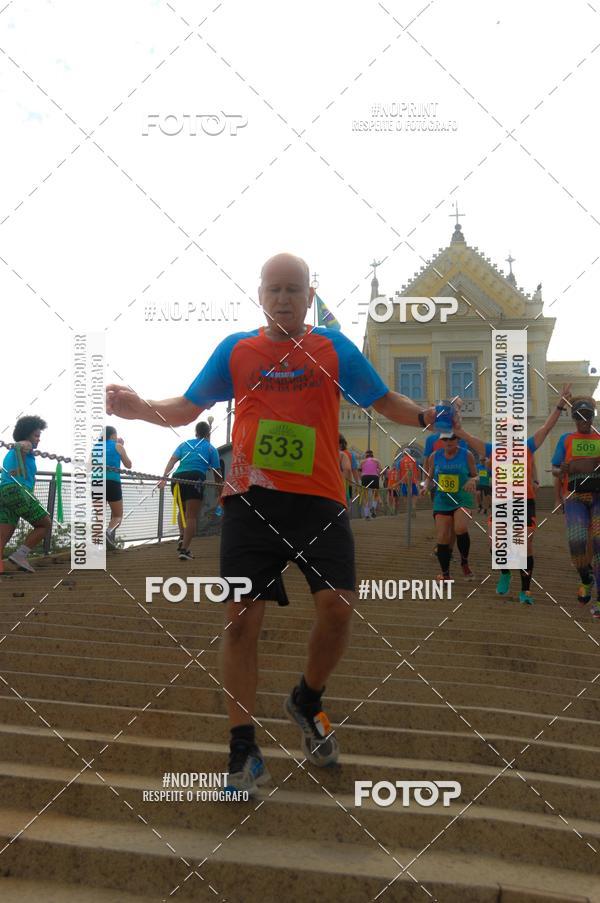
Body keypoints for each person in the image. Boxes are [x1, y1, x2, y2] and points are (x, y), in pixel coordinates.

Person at [106, 251, 442, 795]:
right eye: (274, 289)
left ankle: (306, 699)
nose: (284, 297)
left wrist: (426, 416)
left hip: (320, 501)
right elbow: (188, 406)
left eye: (294, 289)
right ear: (261, 296)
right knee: (241, 621)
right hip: (250, 502)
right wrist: (138, 407)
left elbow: (384, 401)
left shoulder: (333, 348)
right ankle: (243, 749)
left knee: (337, 608)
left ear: (309, 297)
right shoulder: (237, 350)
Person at [456, 384, 570, 605]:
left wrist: (559, 405)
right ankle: (505, 572)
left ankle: (525, 590)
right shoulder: (492, 450)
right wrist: (454, 423)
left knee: (525, 545)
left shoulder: (527, 447)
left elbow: (546, 428)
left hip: (524, 502)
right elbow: (466, 436)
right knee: (495, 543)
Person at [551, 396, 600, 618]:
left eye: (587, 415)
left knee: (599, 543)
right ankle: (585, 579)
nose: (583, 420)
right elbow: (554, 469)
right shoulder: (566, 439)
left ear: (593, 416)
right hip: (573, 495)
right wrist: (556, 496)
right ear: (573, 418)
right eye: (579, 416)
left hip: (598, 495)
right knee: (577, 543)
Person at [159, 421, 221, 560]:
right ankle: (184, 550)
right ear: (208, 434)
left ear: (196, 433)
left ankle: (182, 537)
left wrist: (164, 477)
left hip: (177, 479)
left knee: (183, 511)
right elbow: (218, 475)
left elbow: (172, 460)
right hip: (194, 478)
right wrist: (220, 493)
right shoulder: (211, 449)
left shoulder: (184, 444)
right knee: (191, 516)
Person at [422, 433, 478, 581]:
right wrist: (425, 486)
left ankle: (464, 563)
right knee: (442, 537)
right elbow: (429, 477)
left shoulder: (467, 455)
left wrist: (472, 480)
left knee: (460, 528)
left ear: (457, 439)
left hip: (462, 498)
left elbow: (476, 475)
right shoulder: (435, 456)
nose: (448, 442)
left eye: (452, 438)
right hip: (442, 500)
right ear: (441, 440)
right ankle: (445, 574)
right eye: (445, 439)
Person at [0, 416, 51, 573]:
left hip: (4, 491)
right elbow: (22, 445)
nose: (38, 439)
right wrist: (24, 444)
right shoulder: (24, 445)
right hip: (18, 491)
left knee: (4, 534)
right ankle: (20, 555)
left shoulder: (15, 452)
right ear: (26, 434)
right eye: (36, 435)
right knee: (45, 524)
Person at [93, 426, 132, 550]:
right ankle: (108, 532)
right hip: (112, 482)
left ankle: (97, 546)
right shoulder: (118, 446)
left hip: (96, 481)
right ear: (113, 435)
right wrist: (121, 446)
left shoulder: (96, 447)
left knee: (99, 516)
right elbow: (128, 465)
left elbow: (90, 465)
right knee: (118, 516)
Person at [360, 450, 381, 518]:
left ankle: (366, 515)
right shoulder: (377, 461)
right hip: (374, 477)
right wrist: (378, 477)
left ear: (366, 455)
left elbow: (359, 470)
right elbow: (380, 470)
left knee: (365, 496)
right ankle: (373, 507)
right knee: (375, 495)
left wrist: (361, 479)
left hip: (365, 478)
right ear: (372, 455)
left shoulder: (362, 461)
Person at [398, 449, 419, 515]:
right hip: (413, 480)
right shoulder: (414, 460)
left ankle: (408, 508)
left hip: (404, 481)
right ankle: (413, 506)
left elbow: (399, 471)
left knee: (405, 496)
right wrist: (418, 479)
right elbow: (418, 470)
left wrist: (399, 481)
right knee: (414, 494)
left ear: (403, 454)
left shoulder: (400, 461)